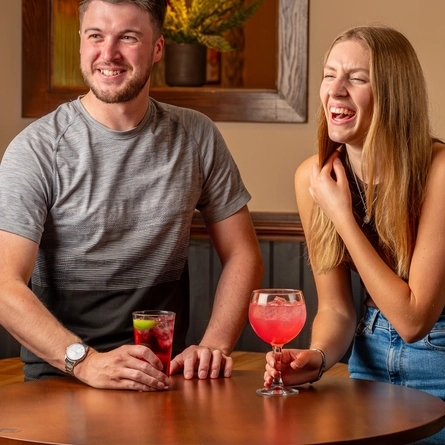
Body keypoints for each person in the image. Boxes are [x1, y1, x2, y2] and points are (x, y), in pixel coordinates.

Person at [0, 0, 263, 392]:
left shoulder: (197, 135)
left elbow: (244, 253)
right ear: (81, 43)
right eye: (95, 36)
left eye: (127, 37)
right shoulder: (37, 149)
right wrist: (86, 362)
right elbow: (5, 285)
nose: (108, 54)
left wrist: (214, 345)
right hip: (62, 379)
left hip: (163, 377)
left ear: (157, 47)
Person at [264, 25, 445, 444]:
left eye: (357, 79)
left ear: (393, 94)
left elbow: (414, 319)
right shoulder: (312, 177)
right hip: (368, 361)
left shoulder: (438, 172)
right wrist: (320, 356)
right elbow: (338, 310)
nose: (336, 90)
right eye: (330, 75)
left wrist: (342, 216)